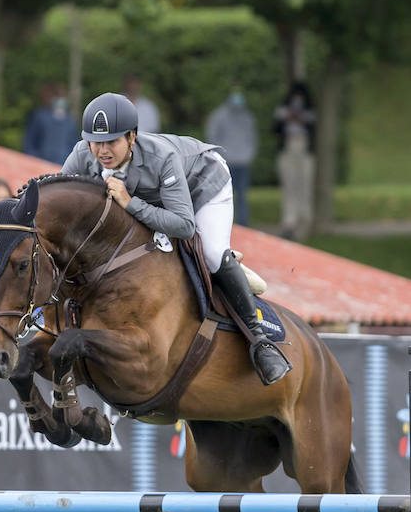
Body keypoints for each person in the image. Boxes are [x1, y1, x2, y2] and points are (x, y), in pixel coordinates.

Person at [62, 91, 289, 384]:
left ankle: (260, 342)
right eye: (96, 141)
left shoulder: (161, 157)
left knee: (210, 252)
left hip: (203, 185)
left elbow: (183, 225)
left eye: (112, 142)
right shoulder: (82, 154)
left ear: (132, 138)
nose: (102, 151)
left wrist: (130, 203)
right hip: (159, 199)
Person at [205, 85, 258, 227]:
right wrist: (220, 156)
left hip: (243, 161)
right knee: (223, 196)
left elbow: (252, 137)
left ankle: (242, 224)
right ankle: (224, 224)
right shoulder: (219, 115)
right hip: (226, 161)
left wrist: (249, 154)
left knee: (242, 195)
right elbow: (212, 136)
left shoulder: (247, 116)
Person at [274, 82, 317, 239]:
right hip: (288, 148)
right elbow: (276, 127)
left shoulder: (310, 113)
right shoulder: (283, 111)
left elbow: (312, 123)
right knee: (289, 186)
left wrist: (300, 118)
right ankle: (289, 222)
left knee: (304, 186)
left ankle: (305, 222)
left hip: (304, 149)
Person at [23, 85, 77, 165]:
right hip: (42, 164)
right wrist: (35, 160)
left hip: (62, 166)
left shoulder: (69, 121)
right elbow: (29, 143)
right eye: (58, 96)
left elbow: (74, 145)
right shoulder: (40, 116)